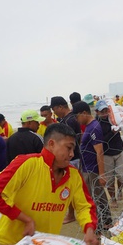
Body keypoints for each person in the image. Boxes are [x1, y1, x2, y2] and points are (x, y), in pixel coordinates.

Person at [74, 101, 113, 230]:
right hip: (87, 167)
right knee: (96, 196)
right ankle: (104, 222)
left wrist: (102, 174)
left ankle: (103, 224)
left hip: (92, 169)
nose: (76, 120)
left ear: (84, 113)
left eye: (77, 116)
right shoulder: (89, 127)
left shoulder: (94, 127)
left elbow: (99, 151)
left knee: (96, 197)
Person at [51, 96, 83, 224]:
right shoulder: (69, 118)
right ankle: (72, 212)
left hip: (72, 158)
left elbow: (70, 142)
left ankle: (71, 214)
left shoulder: (69, 121)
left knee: (70, 186)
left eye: (54, 110)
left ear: (60, 107)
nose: (55, 113)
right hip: (74, 156)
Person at [95, 101, 123, 206]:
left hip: (119, 150)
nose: (104, 114)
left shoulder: (113, 118)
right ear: (97, 112)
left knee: (122, 175)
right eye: (102, 112)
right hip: (106, 154)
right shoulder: (96, 124)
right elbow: (101, 141)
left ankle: (119, 191)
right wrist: (112, 133)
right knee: (109, 179)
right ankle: (113, 199)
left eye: (106, 111)